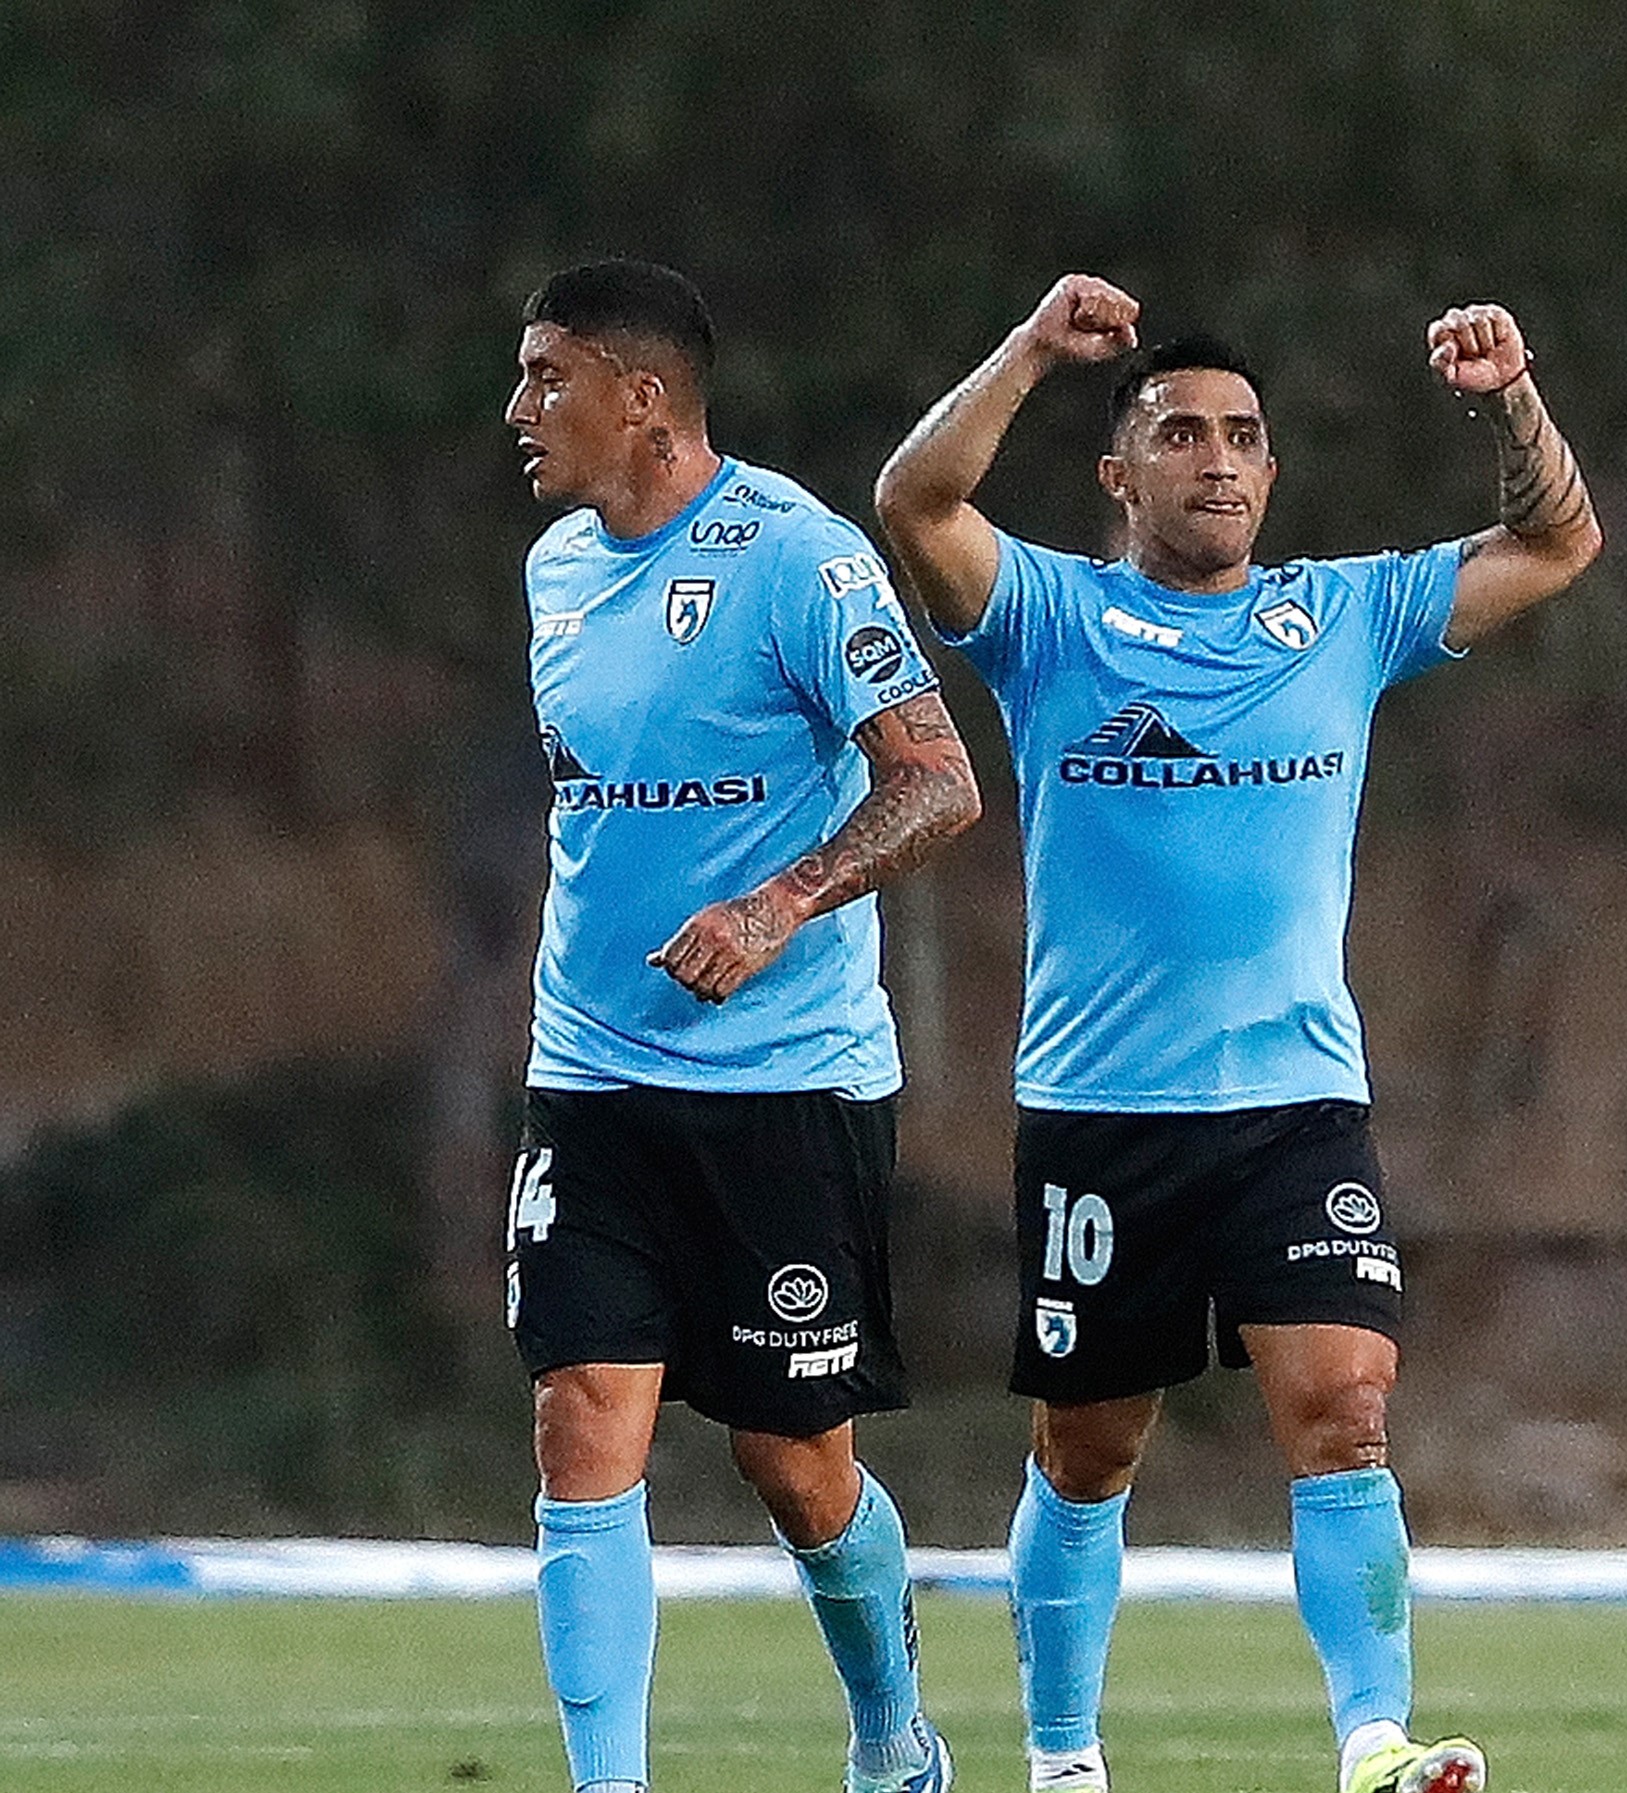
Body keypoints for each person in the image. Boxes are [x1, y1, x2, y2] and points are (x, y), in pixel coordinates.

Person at [871, 272, 1600, 1793]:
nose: (1215, 456)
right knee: (1088, 1451)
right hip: (1100, 1114)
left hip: (1294, 1106)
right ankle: (1065, 1759)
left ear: (1271, 473)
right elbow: (915, 499)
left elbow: (1555, 541)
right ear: (1116, 473)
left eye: (1243, 436)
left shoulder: (1343, 611)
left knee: (1344, 1410)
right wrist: (1026, 348)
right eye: (1179, 431)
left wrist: (1508, 396)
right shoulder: (1051, 619)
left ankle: (1375, 1741)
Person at [503, 258, 982, 1793]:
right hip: (590, 1074)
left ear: (642, 396)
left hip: (786, 1086)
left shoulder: (798, 557)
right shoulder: (555, 570)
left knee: (792, 1461)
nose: (519, 409)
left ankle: (895, 1735)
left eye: (547, 375)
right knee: (584, 1422)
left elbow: (937, 778)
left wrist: (776, 907)